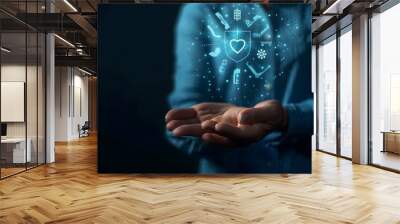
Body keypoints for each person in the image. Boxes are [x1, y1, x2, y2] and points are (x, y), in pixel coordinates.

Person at [165, 3, 313, 173]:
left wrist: (287, 117)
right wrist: (210, 130)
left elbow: (337, 101)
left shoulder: (316, 8)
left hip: (302, 175)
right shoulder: (202, 8)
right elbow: (185, 108)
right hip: (226, 185)